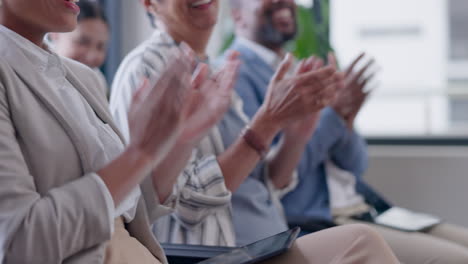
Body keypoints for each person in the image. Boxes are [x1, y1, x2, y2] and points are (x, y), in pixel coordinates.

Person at [109, 0, 400, 263]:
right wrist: (267, 123)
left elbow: (268, 183)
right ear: (149, 3)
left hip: (271, 241)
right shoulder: (147, 68)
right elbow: (184, 205)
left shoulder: (212, 69)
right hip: (216, 253)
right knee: (361, 242)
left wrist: (297, 133)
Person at [225, 0, 468, 263]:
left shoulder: (300, 67)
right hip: (319, 220)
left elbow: (357, 164)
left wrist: (347, 117)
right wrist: (333, 117)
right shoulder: (235, 76)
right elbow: (270, 180)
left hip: (363, 207)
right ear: (238, 16)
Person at [0, 0, 242, 263]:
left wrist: (181, 139)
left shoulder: (84, 78)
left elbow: (133, 209)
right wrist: (140, 154)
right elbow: (18, 243)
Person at [49, 0, 110, 98]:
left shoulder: (98, 81)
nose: (92, 56)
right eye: (82, 42)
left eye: (100, 47)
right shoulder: (36, 77)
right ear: (55, 33)